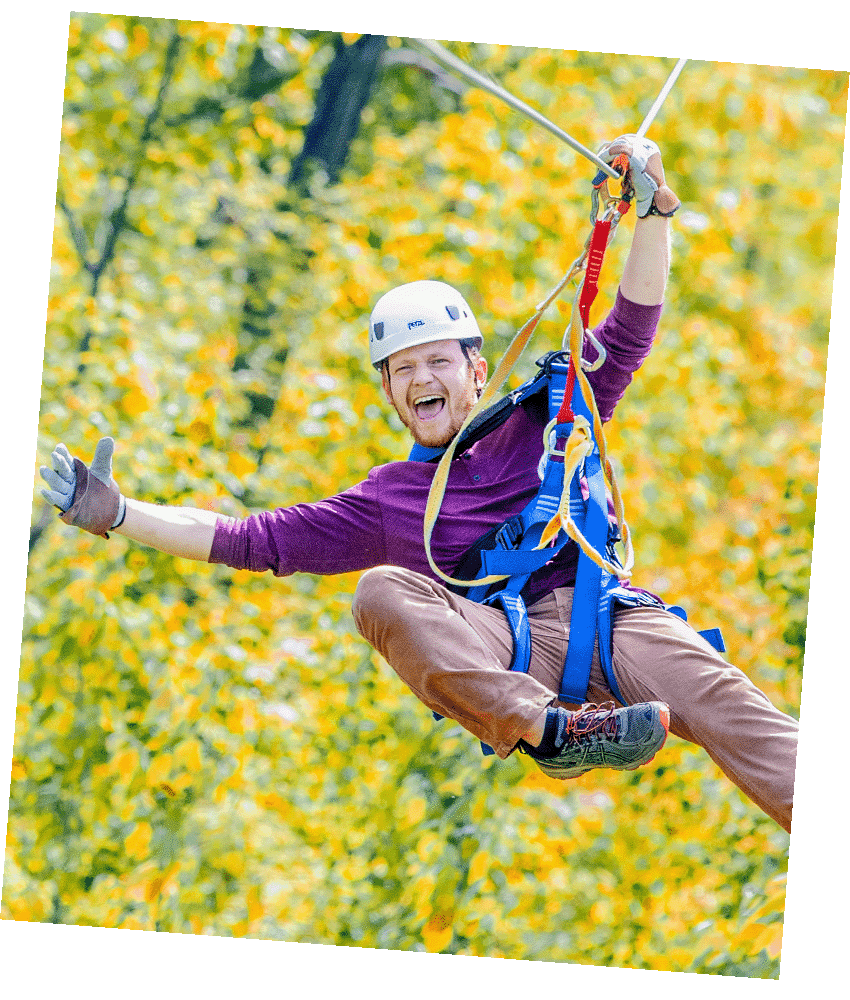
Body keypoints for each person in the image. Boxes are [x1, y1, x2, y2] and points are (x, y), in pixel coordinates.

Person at [40, 136, 797, 831]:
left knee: (746, 719)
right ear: (390, 393)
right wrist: (118, 514)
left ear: (475, 370)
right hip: (511, 650)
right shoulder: (392, 499)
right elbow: (249, 540)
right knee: (379, 592)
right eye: (404, 369)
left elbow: (629, 328)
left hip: (615, 619)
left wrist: (654, 209)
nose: (421, 377)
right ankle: (549, 729)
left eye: (438, 361)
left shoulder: (543, 412)